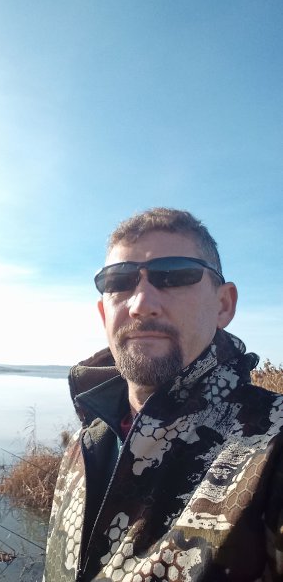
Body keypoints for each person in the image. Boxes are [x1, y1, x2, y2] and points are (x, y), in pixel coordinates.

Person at [44, 208, 283, 582]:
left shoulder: (271, 446)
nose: (141, 304)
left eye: (174, 276)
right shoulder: (85, 445)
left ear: (223, 305)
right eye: (119, 281)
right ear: (103, 314)